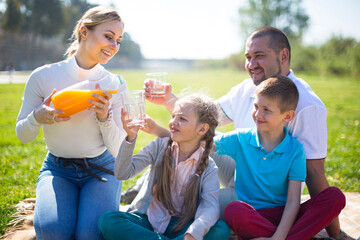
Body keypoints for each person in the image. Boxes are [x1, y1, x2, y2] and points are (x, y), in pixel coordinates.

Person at [137, 26, 354, 240]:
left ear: (284, 56)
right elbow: (203, 124)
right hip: (241, 184)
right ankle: (145, 206)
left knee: (333, 197)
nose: (251, 65)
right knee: (191, 146)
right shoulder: (247, 91)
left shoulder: (306, 107)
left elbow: (314, 174)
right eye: (248, 57)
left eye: (259, 56)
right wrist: (169, 100)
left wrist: (337, 234)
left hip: (279, 195)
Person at [16, 6, 127, 240]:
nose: (114, 46)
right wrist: (37, 117)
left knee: (90, 235)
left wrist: (105, 119)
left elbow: (118, 150)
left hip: (103, 169)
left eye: (118, 40)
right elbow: (22, 135)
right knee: (52, 233)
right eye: (108, 36)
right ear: (84, 32)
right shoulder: (43, 77)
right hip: (58, 169)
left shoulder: (114, 83)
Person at [214, 75, 345, 240]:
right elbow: (204, 144)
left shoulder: (295, 150)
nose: (258, 114)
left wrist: (278, 237)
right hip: (253, 215)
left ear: (288, 116)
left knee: (335, 196)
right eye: (256, 106)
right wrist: (174, 134)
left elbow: (292, 202)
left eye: (266, 110)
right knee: (234, 210)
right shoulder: (240, 138)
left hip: (285, 215)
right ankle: (296, 237)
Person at [98, 94, 231, 240]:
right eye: (173, 116)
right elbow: (122, 174)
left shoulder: (208, 167)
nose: (173, 122)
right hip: (147, 220)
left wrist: (193, 232)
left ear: (202, 129)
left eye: (182, 119)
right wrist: (130, 138)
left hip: (183, 226)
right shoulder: (159, 147)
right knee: (108, 220)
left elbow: (210, 206)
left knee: (221, 230)